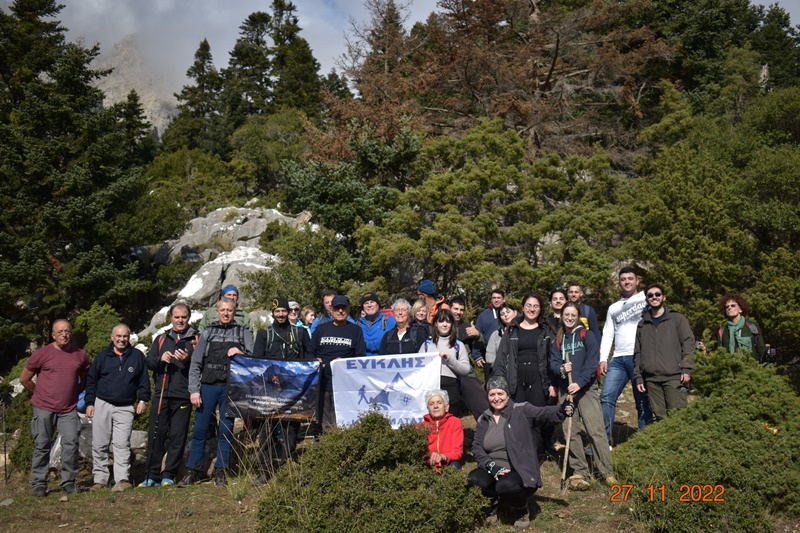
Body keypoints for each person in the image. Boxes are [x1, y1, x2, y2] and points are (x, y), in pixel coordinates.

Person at [468, 376, 573, 530]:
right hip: (493, 468)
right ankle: (493, 503)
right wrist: (491, 466)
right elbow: (477, 447)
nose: (496, 398)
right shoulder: (484, 418)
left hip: (518, 470)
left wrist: (562, 409)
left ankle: (521, 510)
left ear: (508, 394)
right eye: (492, 394)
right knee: (474, 479)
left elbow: (544, 413)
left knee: (506, 486)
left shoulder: (521, 410)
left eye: (500, 393)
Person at [182, 297, 254, 487]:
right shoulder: (208, 332)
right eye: (222, 310)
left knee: (226, 430)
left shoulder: (243, 333)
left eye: (229, 310)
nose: (225, 313)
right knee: (200, 429)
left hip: (230, 388)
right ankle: (192, 470)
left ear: (234, 311)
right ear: (217, 311)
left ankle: (221, 471)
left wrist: (240, 352)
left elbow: (253, 359)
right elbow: (196, 363)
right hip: (207, 387)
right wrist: (193, 390)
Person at [19, 319, 90, 497]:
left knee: (71, 444)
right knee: (42, 445)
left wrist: (75, 393)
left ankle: (68, 482)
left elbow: (85, 377)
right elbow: (24, 379)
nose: (64, 335)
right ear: (53, 335)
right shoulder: (42, 354)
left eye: (67, 331)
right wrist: (38, 394)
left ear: (71, 333)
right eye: (60, 332)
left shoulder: (80, 355)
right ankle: (39, 484)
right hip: (44, 408)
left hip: (68, 409)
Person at [551, 303, 615, 490]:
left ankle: (607, 471)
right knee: (570, 432)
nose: (569, 317)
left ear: (578, 316)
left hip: (586, 389)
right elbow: (553, 362)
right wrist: (562, 369)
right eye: (566, 314)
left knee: (595, 429)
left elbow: (592, 362)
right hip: (566, 391)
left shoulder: (587, 335)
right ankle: (580, 470)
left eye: (573, 314)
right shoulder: (559, 338)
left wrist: (579, 383)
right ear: (562, 316)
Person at [252, 298, 311, 484]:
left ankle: (287, 468)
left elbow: (308, 359)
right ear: (272, 312)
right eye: (277, 311)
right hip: (270, 392)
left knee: (291, 429)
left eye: (284, 311)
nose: (280, 314)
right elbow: (257, 363)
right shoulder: (264, 334)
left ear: (289, 312)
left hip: (293, 391)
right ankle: (264, 470)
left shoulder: (300, 333)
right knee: (266, 431)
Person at [85, 324, 150, 492]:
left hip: (126, 406)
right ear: (112, 337)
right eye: (119, 336)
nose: (122, 339)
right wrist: (90, 403)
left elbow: (144, 381)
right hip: (102, 403)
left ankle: (122, 478)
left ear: (129, 338)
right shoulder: (102, 357)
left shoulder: (137, 356)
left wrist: (143, 400)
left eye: (125, 336)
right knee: (99, 443)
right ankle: (100, 480)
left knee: (122, 444)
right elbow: (91, 381)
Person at [140, 303, 198, 487]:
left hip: (183, 394)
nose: (180, 320)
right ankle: (151, 474)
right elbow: (149, 362)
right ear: (170, 318)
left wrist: (188, 360)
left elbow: (202, 365)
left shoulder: (196, 339)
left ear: (189, 318)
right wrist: (160, 359)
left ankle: (169, 475)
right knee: (156, 434)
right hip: (162, 393)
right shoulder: (161, 339)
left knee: (177, 436)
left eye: (184, 317)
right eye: (176, 317)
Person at [493, 293, 557, 453]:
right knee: (518, 416)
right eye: (529, 305)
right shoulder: (512, 330)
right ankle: (519, 453)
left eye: (536, 306)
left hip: (539, 377)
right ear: (522, 308)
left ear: (540, 309)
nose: (532, 309)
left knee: (537, 416)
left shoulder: (546, 331)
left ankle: (534, 455)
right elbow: (501, 357)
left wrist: (553, 383)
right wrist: (500, 384)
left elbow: (554, 358)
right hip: (516, 378)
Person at [599, 267, 653, 447]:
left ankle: (644, 442)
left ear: (637, 281)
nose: (627, 282)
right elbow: (608, 334)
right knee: (606, 397)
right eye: (623, 279)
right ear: (619, 282)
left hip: (640, 357)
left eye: (630, 278)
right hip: (618, 359)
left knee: (642, 400)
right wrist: (603, 359)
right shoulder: (614, 307)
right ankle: (603, 442)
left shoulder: (647, 299)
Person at [633, 285, 695, 421]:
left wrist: (686, 368)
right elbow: (638, 352)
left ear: (664, 297)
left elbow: (688, 343)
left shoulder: (677, 319)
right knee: (661, 419)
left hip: (674, 378)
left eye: (657, 294)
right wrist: (638, 377)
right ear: (647, 299)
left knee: (678, 417)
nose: (654, 297)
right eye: (650, 295)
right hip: (651, 380)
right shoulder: (642, 324)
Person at [308, 295, 366, 429]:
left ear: (348, 309)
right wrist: (315, 361)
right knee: (323, 420)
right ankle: (324, 446)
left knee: (341, 421)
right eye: (337, 308)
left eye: (343, 308)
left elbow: (360, 356)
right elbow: (310, 352)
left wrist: (345, 362)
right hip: (323, 382)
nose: (340, 311)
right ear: (331, 310)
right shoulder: (321, 329)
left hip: (344, 384)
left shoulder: (355, 330)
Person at [418, 309, 472, 417]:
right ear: (436, 324)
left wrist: (450, 359)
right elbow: (418, 368)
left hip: (451, 388)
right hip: (431, 387)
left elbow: (466, 370)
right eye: (441, 321)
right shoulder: (427, 345)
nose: (444, 324)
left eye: (448, 322)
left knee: (450, 422)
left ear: (452, 324)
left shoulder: (458, 345)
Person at [417, 389, 463, 471]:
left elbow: (457, 451)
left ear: (446, 407)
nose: (435, 406)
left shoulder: (455, 422)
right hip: (428, 465)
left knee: (454, 467)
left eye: (439, 403)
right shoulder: (420, 427)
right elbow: (417, 452)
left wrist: (442, 457)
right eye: (431, 404)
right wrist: (431, 458)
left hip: (447, 463)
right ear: (428, 408)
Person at [716, 293, 767, 362]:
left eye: (733, 305)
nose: (729, 308)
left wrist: (767, 353)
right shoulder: (722, 331)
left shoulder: (752, 327)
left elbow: (761, 348)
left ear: (740, 309)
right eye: (727, 307)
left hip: (751, 369)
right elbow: (719, 354)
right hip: (729, 371)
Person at [483, 302, 518, 383]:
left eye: (508, 312)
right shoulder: (496, 335)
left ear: (515, 312)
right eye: (502, 314)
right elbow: (489, 357)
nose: (505, 315)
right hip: (500, 374)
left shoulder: (523, 331)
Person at [359, 292, 396, 357]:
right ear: (363, 308)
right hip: (363, 364)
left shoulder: (390, 321)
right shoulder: (358, 324)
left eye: (372, 302)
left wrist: (363, 344)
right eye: (366, 303)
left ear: (378, 305)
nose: (369, 305)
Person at [473, 290, 505, 364]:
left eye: (498, 298)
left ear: (504, 299)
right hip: (488, 357)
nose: (496, 300)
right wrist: (477, 356)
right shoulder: (483, 316)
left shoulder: (512, 313)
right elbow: (477, 336)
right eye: (494, 298)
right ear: (491, 300)